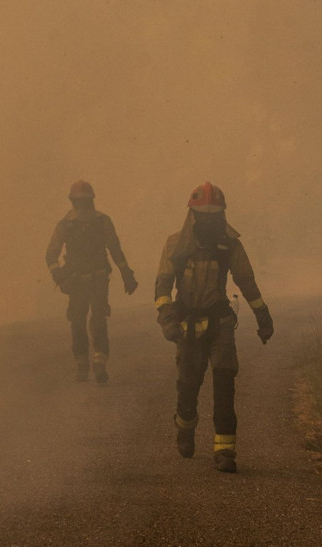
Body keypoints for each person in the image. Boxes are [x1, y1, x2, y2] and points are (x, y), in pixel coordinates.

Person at [154, 182, 274, 472]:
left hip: (220, 323)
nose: (208, 220)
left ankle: (225, 452)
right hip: (187, 325)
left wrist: (263, 316)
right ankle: (185, 426)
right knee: (188, 386)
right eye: (202, 214)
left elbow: (246, 281)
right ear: (192, 215)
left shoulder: (230, 244)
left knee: (224, 384)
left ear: (221, 215)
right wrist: (167, 318)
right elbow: (162, 285)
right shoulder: (175, 245)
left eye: (213, 214)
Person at [46, 180, 138, 383]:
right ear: (72, 201)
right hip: (76, 281)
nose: (82, 206)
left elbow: (115, 249)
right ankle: (81, 361)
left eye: (85, 201)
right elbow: (51, 254)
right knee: (77, 321)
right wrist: (60, 277)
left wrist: (127, 275)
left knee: (98, 319)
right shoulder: (65, 225)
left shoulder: (102, 222)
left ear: (91, 201)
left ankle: (99, 361)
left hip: (98, 278)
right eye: (79, 201)